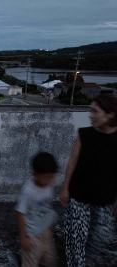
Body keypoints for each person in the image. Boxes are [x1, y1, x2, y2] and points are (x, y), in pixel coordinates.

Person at [60, 94, 117, 267]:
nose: (91, 115)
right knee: (75, 239)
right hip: (79, 196)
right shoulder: (84, 134)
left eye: (95, 112)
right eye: (90, 111)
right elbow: (72, 162)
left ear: (110, 114)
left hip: (105, 198)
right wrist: (65, 188)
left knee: (101, 238)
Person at [14, 152, 59, 267]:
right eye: (46, 178)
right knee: (31, 258)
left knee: (49, 258)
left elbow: (46, 201)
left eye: (52, 177)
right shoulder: (28, 192)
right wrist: (23, 237)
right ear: (34, 174)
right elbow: (20, 213)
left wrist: (49, 208)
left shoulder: (48, 186)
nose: (49, 180)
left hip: (45, 229)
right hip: (32, 233)